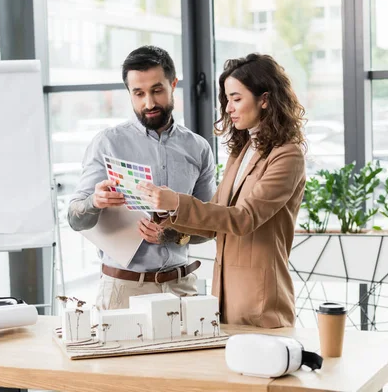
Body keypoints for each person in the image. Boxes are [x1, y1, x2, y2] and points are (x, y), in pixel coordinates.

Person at [137, 53, 307, 328]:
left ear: (264, 99)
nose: (228, 108)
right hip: (223, 293)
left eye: (237, 99)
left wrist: (177, 202)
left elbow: (243, 218)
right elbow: (214, 221)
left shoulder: (287, 156)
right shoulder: (241, 152)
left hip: (261, 299)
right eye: (227, 99)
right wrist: (166, 222)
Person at [67, 45, 216, 310]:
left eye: (157, 90)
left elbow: (209, 227)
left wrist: (171, 235)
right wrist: (94, 201)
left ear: (173, 84)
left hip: (182, 289)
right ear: (129, 94)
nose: (149, 103)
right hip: (122, 291)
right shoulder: (107, 144)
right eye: (139, 93)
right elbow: (75, 219)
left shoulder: (198, 148)